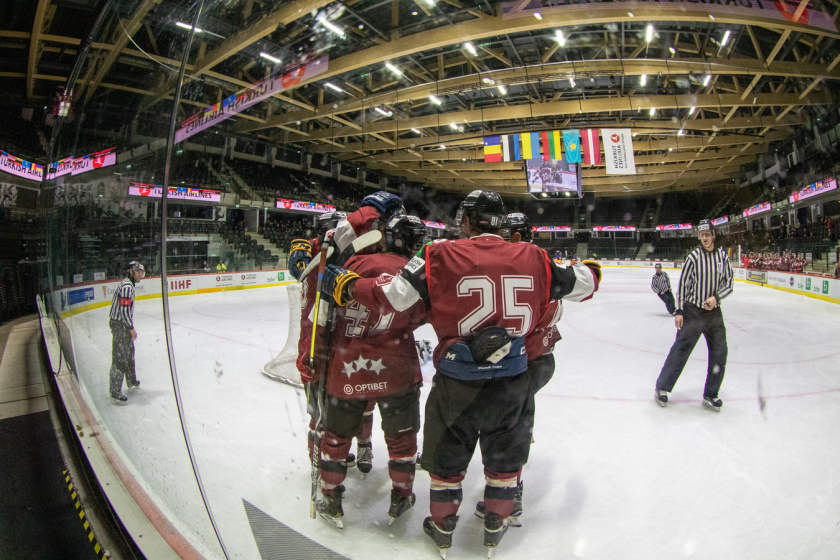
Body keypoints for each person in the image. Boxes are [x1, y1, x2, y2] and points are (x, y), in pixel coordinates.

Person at [321, 190, 600, 556]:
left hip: (457, 381)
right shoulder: (535, 257)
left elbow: (396, 297)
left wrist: (347, 284)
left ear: (466, 221)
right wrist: (591, 267)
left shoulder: (438, 254)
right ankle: (496, 524)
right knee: (504, 459)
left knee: (448, 460)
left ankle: (442, 526)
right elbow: (586, 282)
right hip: (512, 380)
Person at [315, 215, 427, 529]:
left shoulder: (352, 264)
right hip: (397, 370)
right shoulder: (413, 274)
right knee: (402, 439)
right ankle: (401, 495)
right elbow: (420, 315)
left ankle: (331, 495)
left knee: (336, 438)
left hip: (347, 368)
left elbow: (323, 315)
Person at [288, 194, 406, 480]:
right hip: (324, 350)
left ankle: (333, 460)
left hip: (325, 348)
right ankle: (329, 461)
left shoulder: (311, 262)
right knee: (331, 415)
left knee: (337, 413)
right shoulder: (327, 265)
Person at [474, 212, 563, 528]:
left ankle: (511, 490)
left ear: (514, 237)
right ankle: (508, 482)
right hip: (536, 359)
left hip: (527, 361)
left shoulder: (524, 267)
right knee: (509, 419)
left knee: (509, 421)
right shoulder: (539, 265)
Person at [655, 220, 734, 412]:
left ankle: (711, 394)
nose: (705, 238)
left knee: (720, 352)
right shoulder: (693, 258)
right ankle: (662, 387)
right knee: (681, 350)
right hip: (693, 312)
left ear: (714, 234)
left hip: (714, 313)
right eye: (702, 235)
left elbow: (729, 283)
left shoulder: (723, 257)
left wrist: (716, 297)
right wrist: (679, 311)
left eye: (708, 234)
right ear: (699, 237)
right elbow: (683, 286)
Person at [108, 261, 144, 403]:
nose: (141, 274)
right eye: (138, 271)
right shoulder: (127, 286)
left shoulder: (129, 284)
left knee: (129, 352)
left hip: (122, 324)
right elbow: (124, 310)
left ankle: (131, 380)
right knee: (120, 358)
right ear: (131, 271)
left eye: (142, 272)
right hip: (120, 325)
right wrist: (130, 328)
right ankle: (115, 390)